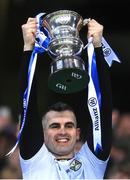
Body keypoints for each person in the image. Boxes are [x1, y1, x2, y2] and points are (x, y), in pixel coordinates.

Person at [19, 16, 112, 179]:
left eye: (68, 125)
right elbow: (28, 106)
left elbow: (102, 111)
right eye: (54, 126)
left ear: (77, 133)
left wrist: (97, 47)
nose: (62, 131)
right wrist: (28, 47)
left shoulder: (92, 162)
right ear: (43, 133)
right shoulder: (35, 160)